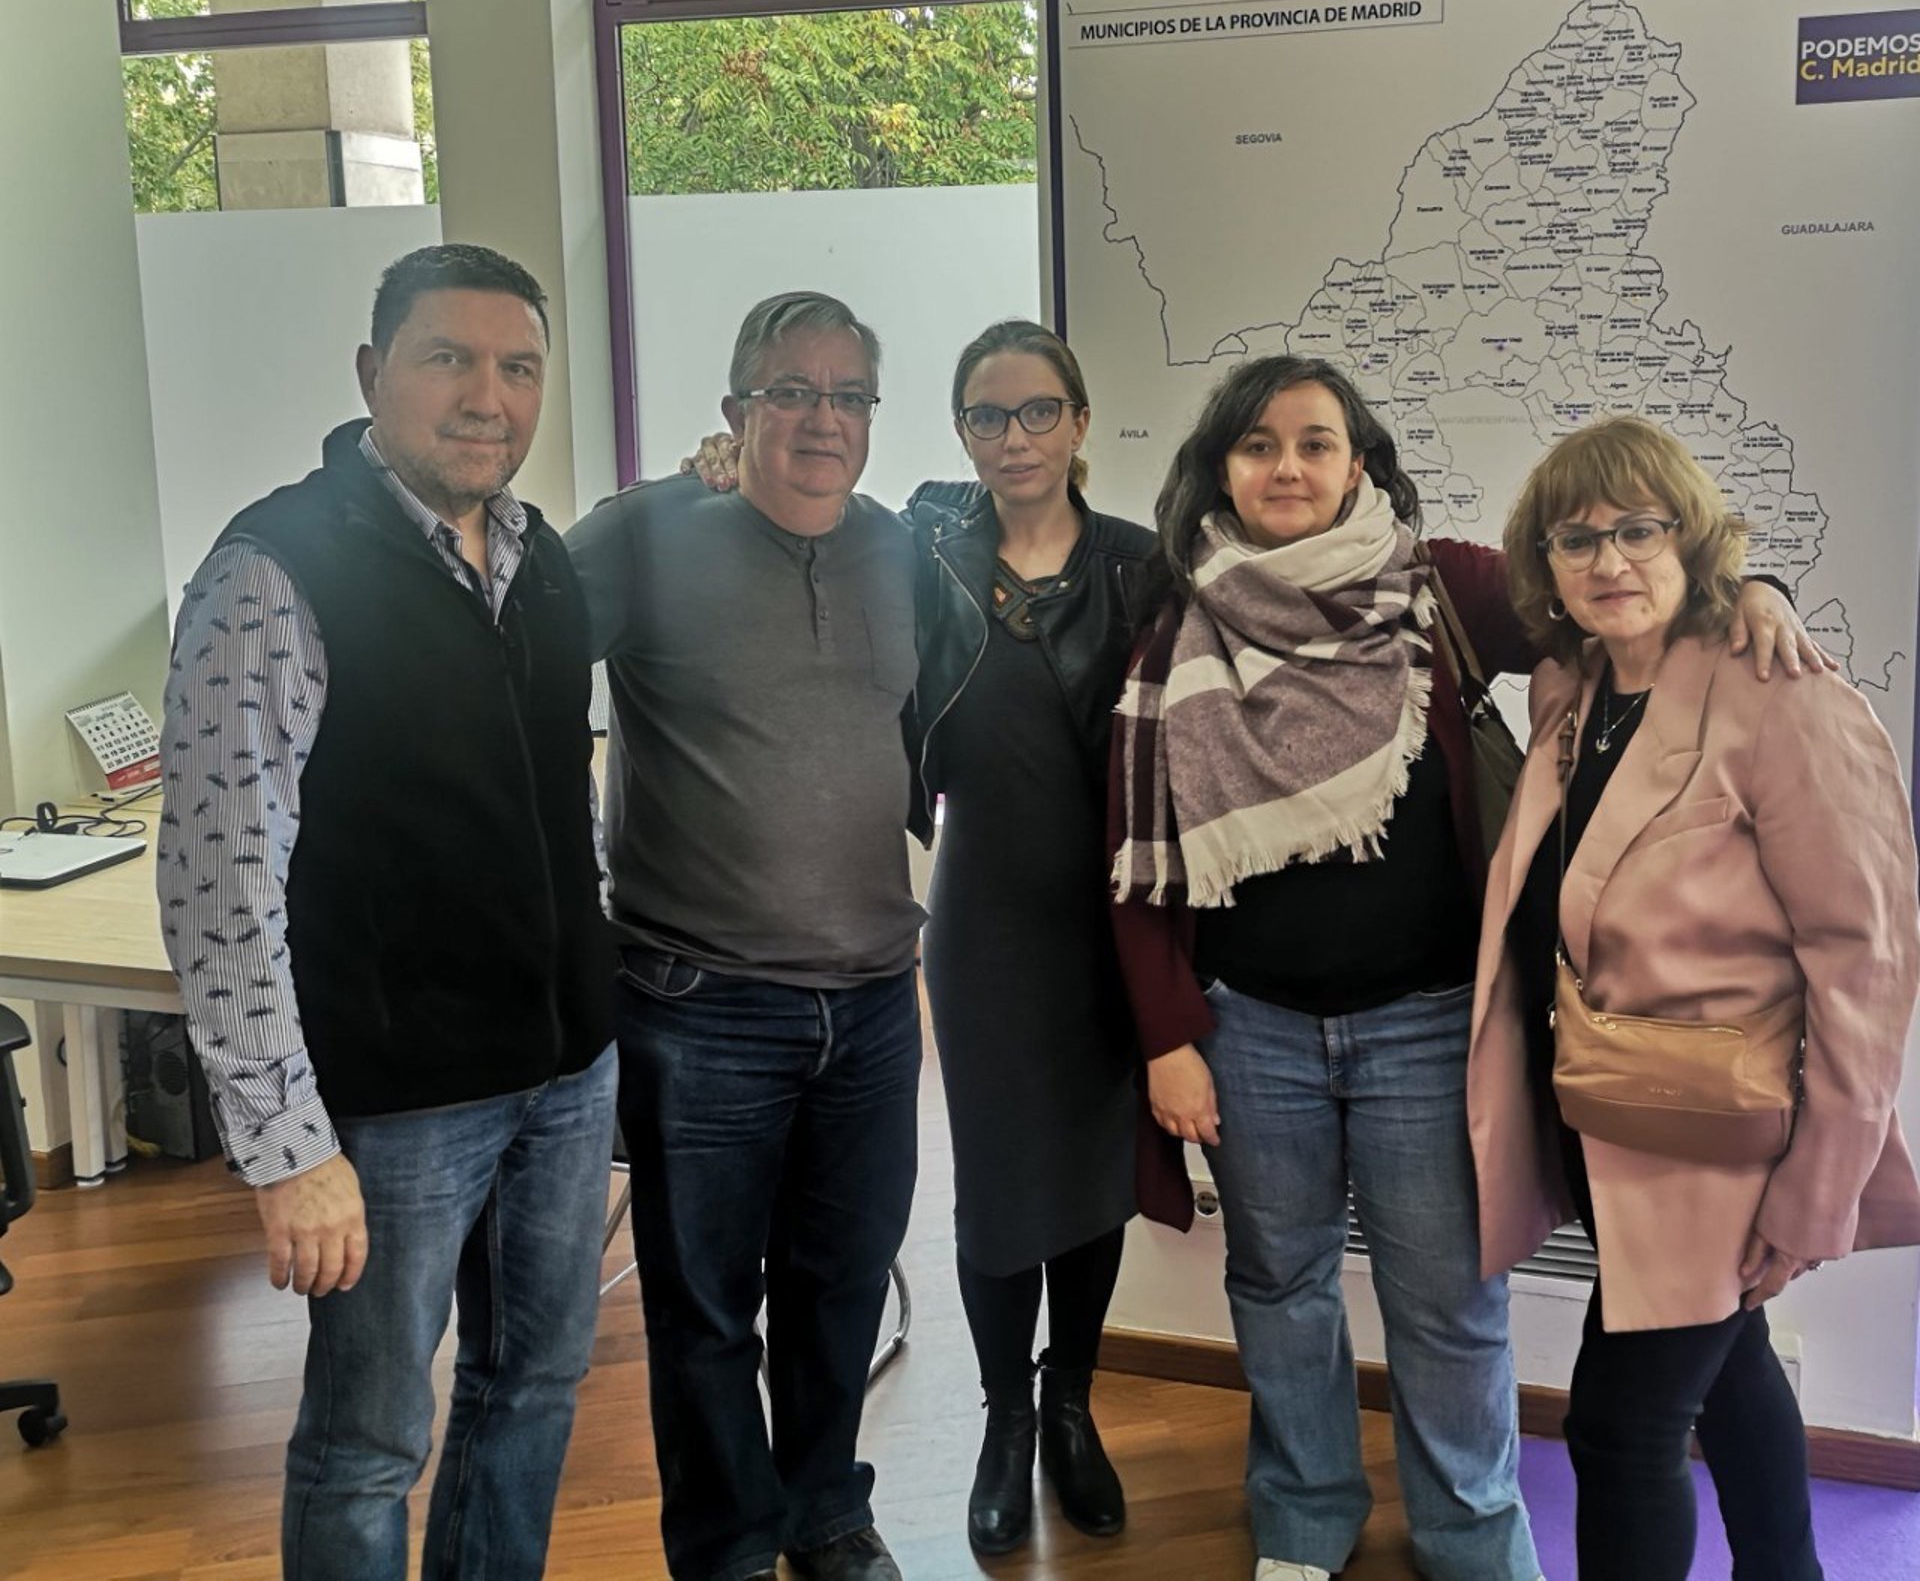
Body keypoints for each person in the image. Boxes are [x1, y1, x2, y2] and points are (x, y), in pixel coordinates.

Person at [1105, 355, 1820, 1581]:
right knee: (1277, 1284)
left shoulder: (1435, 587)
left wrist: (1751, 586)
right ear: (1221, 468)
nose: (1287, 466)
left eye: (1316, 442)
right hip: (1249, 1028)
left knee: (1449, 1298)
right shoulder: (1176, 620)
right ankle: (1303, 1516)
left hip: (1430, 1025)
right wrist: (1168, 1033)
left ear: (1359, 463)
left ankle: (1471, 1531)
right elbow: (1135, 851)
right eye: (1259, 444)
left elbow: (1614, 599)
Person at [157, 243, 616, 1581]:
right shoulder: (274, 570)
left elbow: (563, 815)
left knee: (531, 1390)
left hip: (563, 1080)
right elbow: (220, 882)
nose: (488, 396)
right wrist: (286, 1149)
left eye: (518, 367)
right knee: (368, 1441)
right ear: (373, 373)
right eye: (448, 359)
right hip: (396, 1106)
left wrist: (603, 1041)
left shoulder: (540, 559)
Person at [1473, 415, 1920, 1581]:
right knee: (1732, 1369)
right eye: (1577, 539)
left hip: (1725, 1145)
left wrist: (1817, 1192)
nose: (1609, 560)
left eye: (1639, 529)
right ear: (1547, 564)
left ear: (1692, 538)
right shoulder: (1574, 692)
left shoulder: (1782, 698)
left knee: (1620, 1429)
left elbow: (1866, 964)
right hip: (1611, 1121)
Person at [567, 293, 921, 1581]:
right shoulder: (644, 537)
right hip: (700, 1002)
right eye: (792, 391)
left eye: (848, 395)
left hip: (875, 1003)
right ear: (735, 410)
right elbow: (504, 669)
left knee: (843, 1282)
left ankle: (824, 1513)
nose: (824, 419)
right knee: (706, 1311)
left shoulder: (900, 552)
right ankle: (723, 1549)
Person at [907, 321, 1161, 1553]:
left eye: (1038, 411)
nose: (1015, 438)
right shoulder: (926, 557)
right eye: (988, 416)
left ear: (1080, 420)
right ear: (962, 430)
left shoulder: (1139, 565)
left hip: (1114, 921)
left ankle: (1072, 1405)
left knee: (1095, 1179)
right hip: (986, 918)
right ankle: (1006, 1419)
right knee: (1000, 1182)